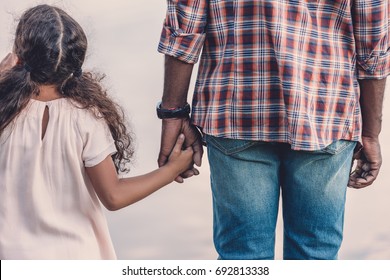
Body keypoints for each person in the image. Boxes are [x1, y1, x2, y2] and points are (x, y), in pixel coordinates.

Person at [157, 0, 389, 259]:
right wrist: (370, 132)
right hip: (325, 110)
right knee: (315, 256)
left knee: (243, 258)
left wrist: (173, 112)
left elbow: (185, 25)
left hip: (235, 108)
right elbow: (374, 36)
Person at [0, 4, 194, 260]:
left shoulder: (5, 112)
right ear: (76, 63)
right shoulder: (85, 116)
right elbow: (113, 196)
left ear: (19, 58)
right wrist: (170, 171)